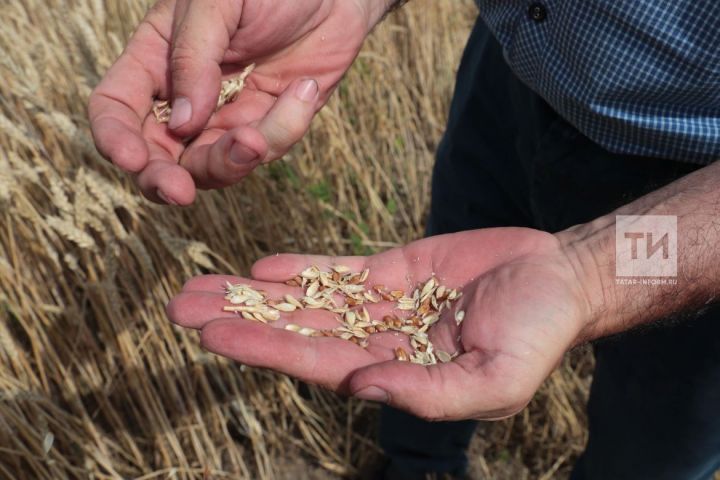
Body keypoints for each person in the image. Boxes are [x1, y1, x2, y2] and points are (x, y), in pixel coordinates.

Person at [89, 0, 720, 478]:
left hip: (691, 191)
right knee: (435, 308)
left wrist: (592, 272)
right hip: (517, 67)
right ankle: (416, 465)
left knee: (653, 443)